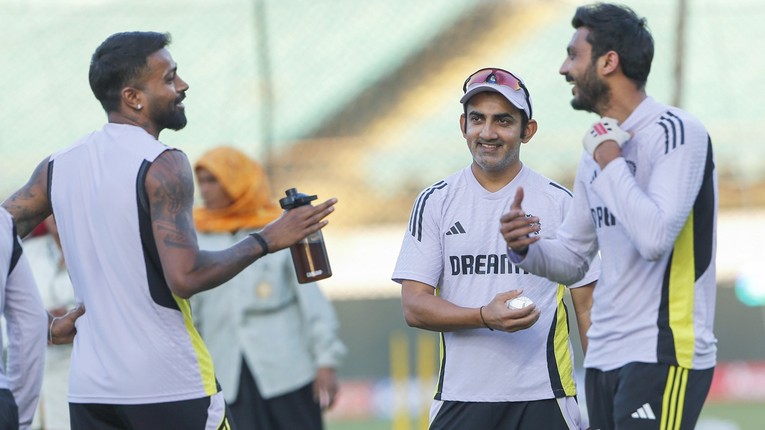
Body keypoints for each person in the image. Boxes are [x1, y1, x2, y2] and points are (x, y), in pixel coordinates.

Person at [1, 31, 336, 430]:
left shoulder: (57, 166)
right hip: (168, 383)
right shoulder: (163, 163)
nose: (183, 85)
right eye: (169, 77)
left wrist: (39, 323)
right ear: (133, 97)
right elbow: (186, 276)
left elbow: (2, 233)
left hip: (90, 390)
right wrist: (266, 239)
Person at [500, 4, 717, 430]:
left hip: (663, 352)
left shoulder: (677, 132)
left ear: (608, 62)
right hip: (602, 357)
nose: (564, 68)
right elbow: (574, 259)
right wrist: (525, 249)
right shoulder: (598, 148)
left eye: (573, 55)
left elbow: (654, 239)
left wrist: (610, 159)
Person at [392, 67, 600, 430]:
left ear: (527, 130)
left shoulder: (560, 203)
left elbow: (589, 307)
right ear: (463, 126)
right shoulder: (435, 201)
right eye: (478, 119)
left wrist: (605, 398)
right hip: (460, 399)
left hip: (546, 397)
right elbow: (414, 306)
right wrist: (484, 316)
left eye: (503, 121)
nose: (487, 133)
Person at [190, 146, 347, 430]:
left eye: (213, 180)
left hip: (288, 372)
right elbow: (194, 315)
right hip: (227, 376)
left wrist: (326, 361)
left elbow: (311, 302)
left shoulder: (278, 230)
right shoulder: (194, 236)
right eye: (201, 181)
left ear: (238, 181)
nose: (204, 189)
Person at [24, 216, 76, 429]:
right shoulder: (27, 253)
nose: (54, 214)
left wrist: (71, 319)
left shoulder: (98, 251)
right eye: (49, 205)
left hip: (79, 369)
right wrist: (36, 325)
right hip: (34, 372)